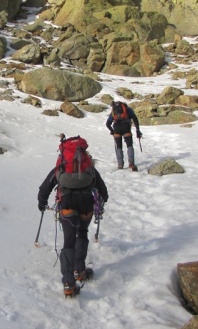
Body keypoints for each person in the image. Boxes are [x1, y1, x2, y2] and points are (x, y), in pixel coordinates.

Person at [37, 136, 109, 297]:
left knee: (68, 243)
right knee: (82, 233)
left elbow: (44, 188)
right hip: (87, 203)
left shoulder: (61, 166)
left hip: (67, 203)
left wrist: (42, 203)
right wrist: (103, 200)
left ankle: (69, 284)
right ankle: (80, 270)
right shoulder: (88, 165)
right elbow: (102, 188)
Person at [106, 101, 142, 171]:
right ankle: (131, 163)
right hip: (126, 127)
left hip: (116, 128)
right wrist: (138, 130)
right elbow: (135, 118)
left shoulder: (113, 111)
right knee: (129, 145)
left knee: (119, 146)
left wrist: (112, 131)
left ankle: (120, 164)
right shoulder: (128, 109)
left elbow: (108, 124)